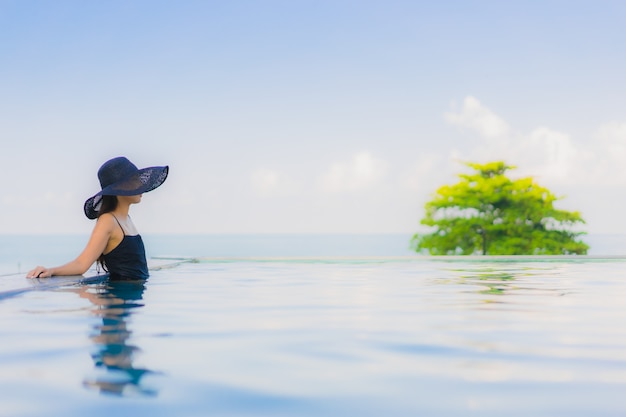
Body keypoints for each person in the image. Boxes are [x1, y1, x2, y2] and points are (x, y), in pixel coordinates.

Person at [27, 156, 168, 280]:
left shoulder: (126, 219)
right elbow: (82, 264)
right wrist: (52, 271)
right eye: (134, 181)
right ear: (119, 188)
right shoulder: (108, 221)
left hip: (133, 301)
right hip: (119, 303)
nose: (140, 185)